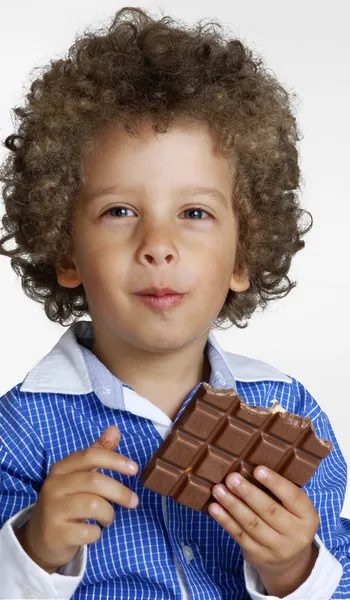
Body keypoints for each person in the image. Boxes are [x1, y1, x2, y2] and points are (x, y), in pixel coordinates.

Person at [0, 6, 348, 600]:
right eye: (120, 211)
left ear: (242, 258)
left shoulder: (289, 411)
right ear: (65, 252)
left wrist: (294, 570)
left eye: (194, 213)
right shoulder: (19, 431)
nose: (157, 246)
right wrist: (33, 549)